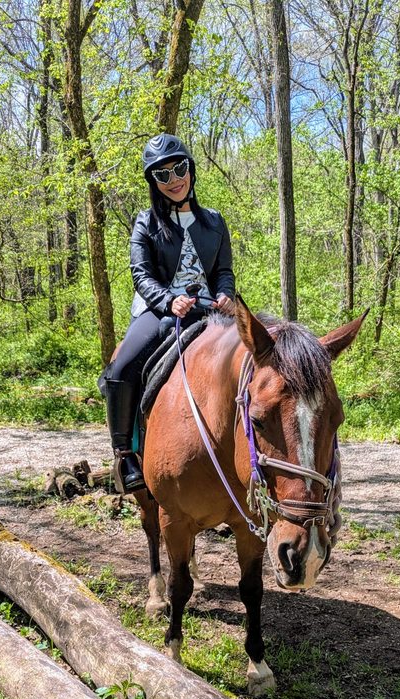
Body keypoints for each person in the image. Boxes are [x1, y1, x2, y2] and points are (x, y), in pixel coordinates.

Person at [101, 133, 236, 493]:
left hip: (211, 312)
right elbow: (141, 274)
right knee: (121, 368)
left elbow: (222, 271)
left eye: (179, 169)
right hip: (159, 311)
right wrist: (167, 301)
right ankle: (125, 455)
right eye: (163, 175)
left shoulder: (214, 222)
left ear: (190, 170)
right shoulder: (145, 223)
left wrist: (226, 294)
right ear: (154, 182)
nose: (174, 180)